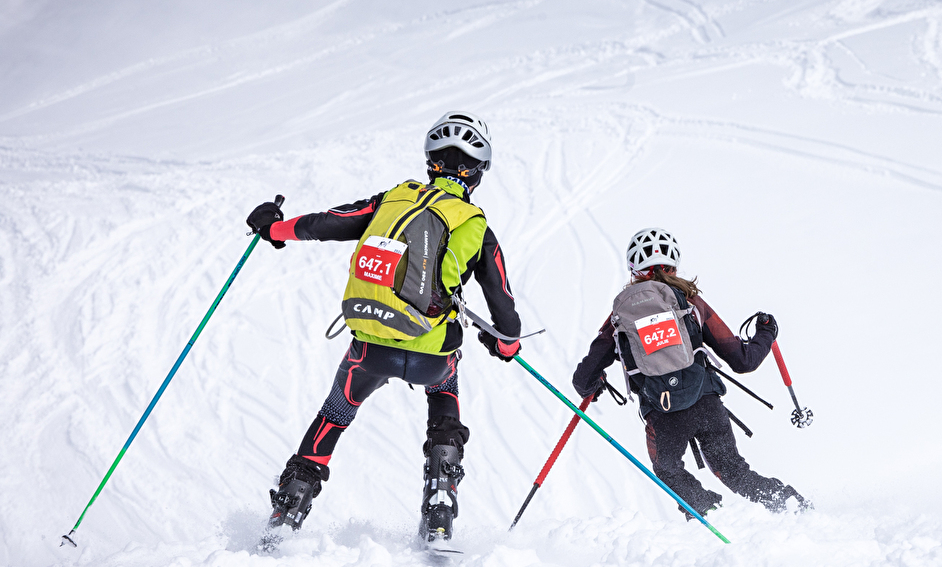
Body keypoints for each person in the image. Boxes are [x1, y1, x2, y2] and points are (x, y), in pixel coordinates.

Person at [245, 110, 522, 543]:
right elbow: (504, 313)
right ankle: (439, 505)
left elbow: (328, 223)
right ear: (479, 170)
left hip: (370, 347)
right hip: (432, 355)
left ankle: (287, 513)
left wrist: (274, 228)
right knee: (445, 392)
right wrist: (505, 347)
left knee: (334, 415)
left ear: (431, 161)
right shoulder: (474, 222)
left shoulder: (395, 197)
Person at [571, 228, 807, 518]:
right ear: (675, 263)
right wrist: (766, 332)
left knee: (668, 469)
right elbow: (743, 361)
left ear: (633, 268)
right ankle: (793, 506)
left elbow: (583, 379)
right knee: (733, 471)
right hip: (706, 404)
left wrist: (594, 386)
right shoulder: (690, 303)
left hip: (663, 415)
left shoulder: (621, 316)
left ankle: (706, 512)